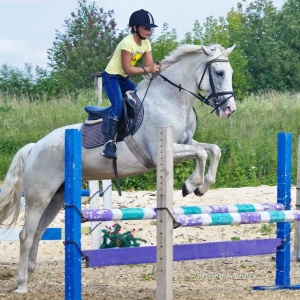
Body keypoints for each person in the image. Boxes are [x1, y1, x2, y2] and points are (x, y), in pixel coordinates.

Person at [101, 9, 161, 159]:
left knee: (139, 100)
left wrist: (159, 68)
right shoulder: (127, 43)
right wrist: (149, 68)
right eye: (146, 28)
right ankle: (109, 144)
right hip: (111, 78)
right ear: (135, 28)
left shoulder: (146, 43)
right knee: (118, 106)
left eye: (150, 28)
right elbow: (128, 68)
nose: (149, 31)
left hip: (122, 79)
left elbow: (149, 66)